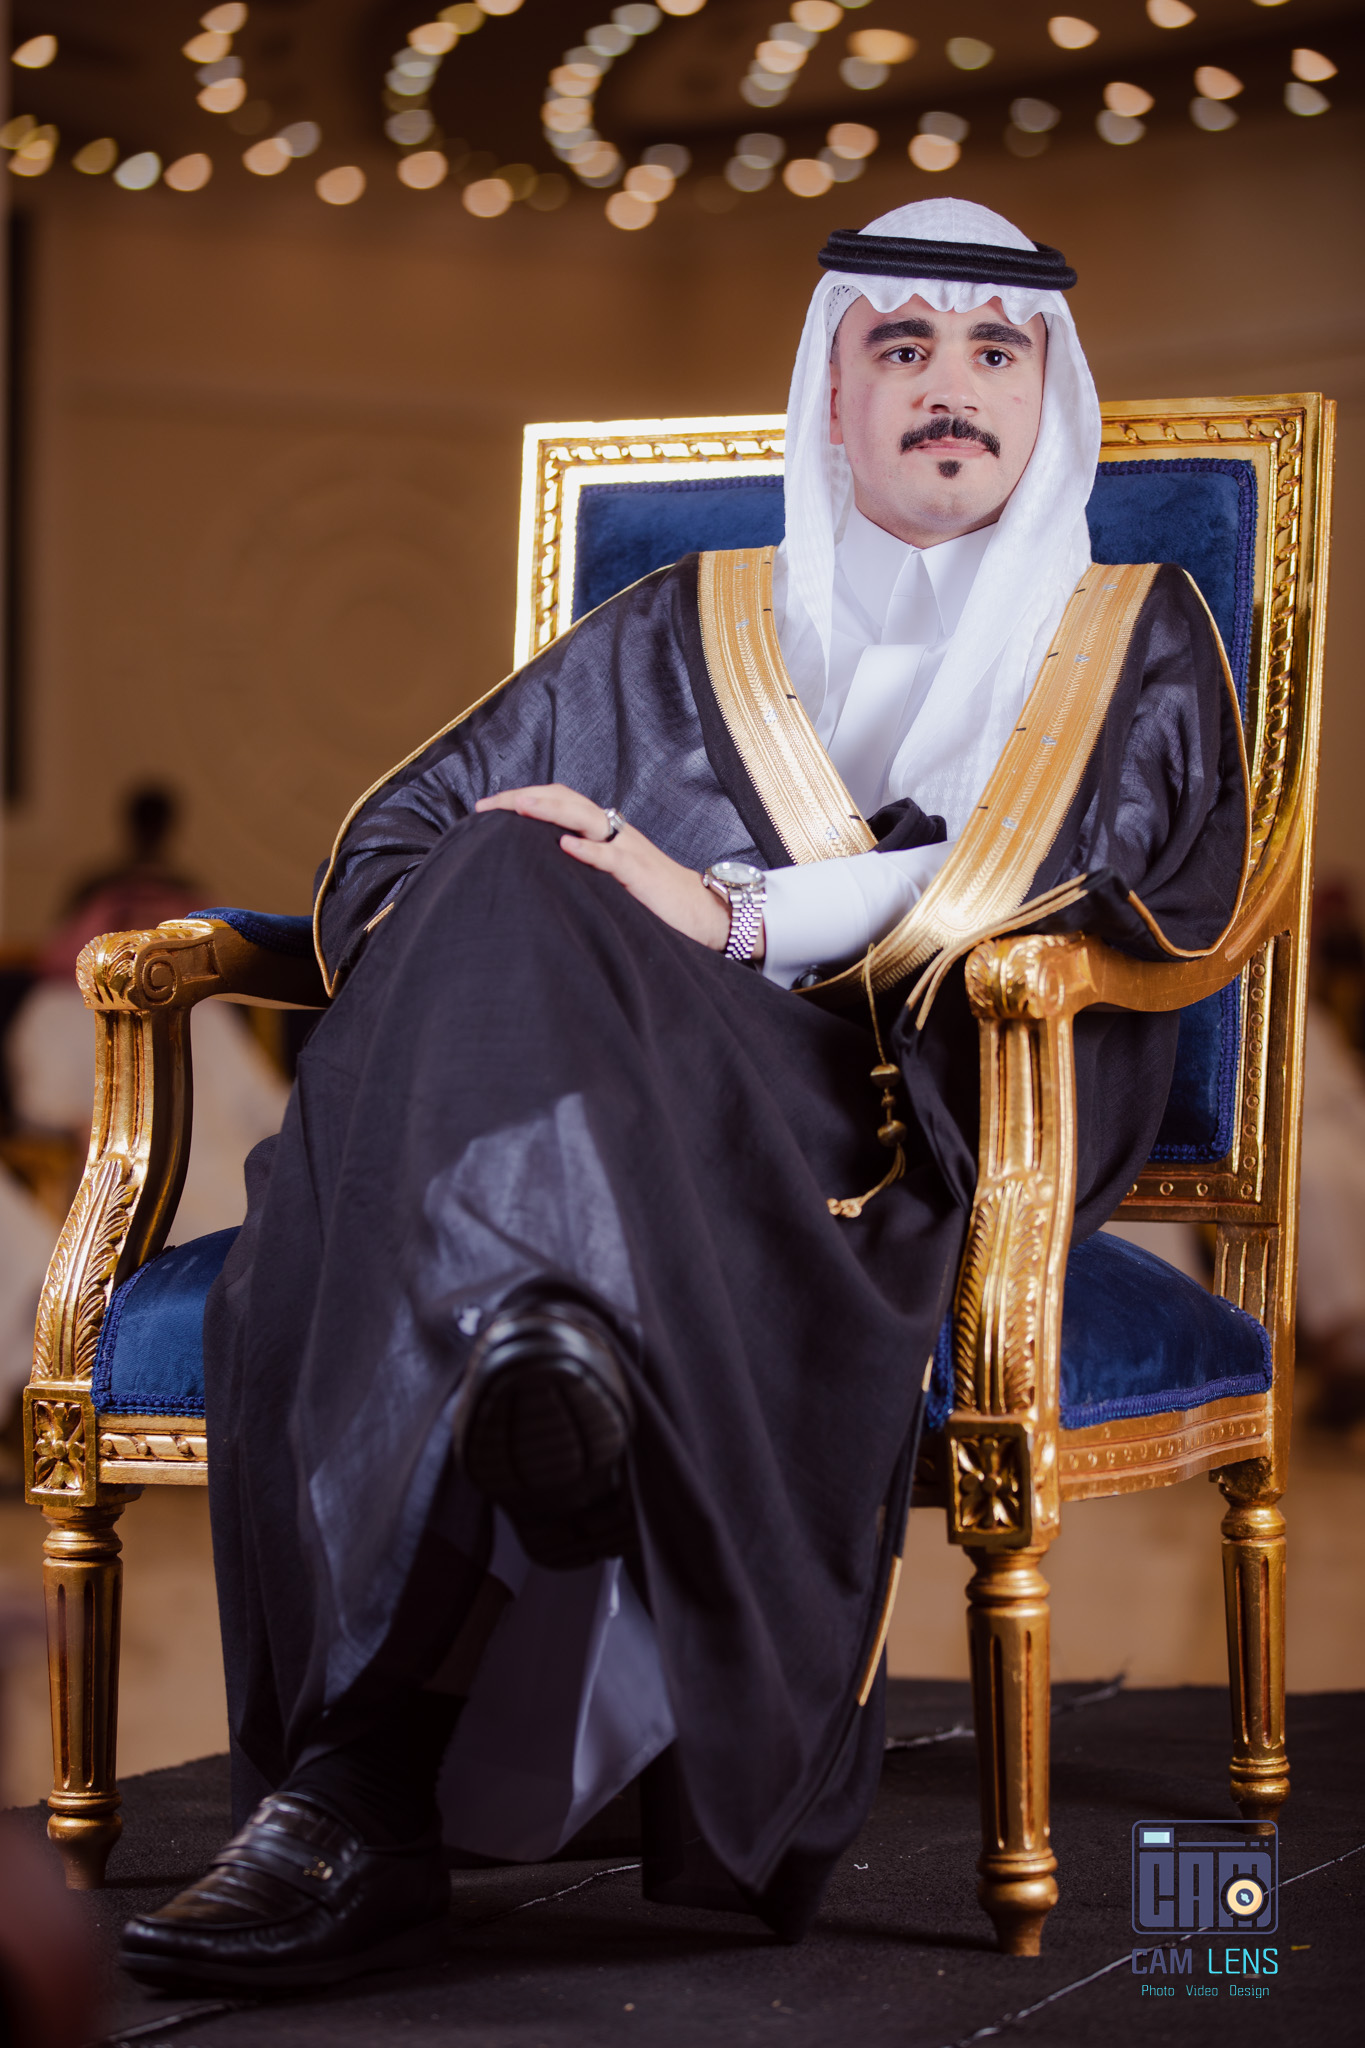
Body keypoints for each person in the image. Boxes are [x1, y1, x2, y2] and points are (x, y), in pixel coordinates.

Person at [120, 198, 1248, 1993]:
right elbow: (408, 836)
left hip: (882, 1122)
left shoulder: (1134, 634)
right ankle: (545, 1364)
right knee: (502, 866)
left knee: (504, 981)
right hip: (612, 1114)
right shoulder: (686, 621)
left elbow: (1083, 883)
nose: (949, 388)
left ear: (1047, 395)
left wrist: (722, 913)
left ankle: (355, 1787)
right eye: (900, 348)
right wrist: (505, 957)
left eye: (992, 352)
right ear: (831, 396)